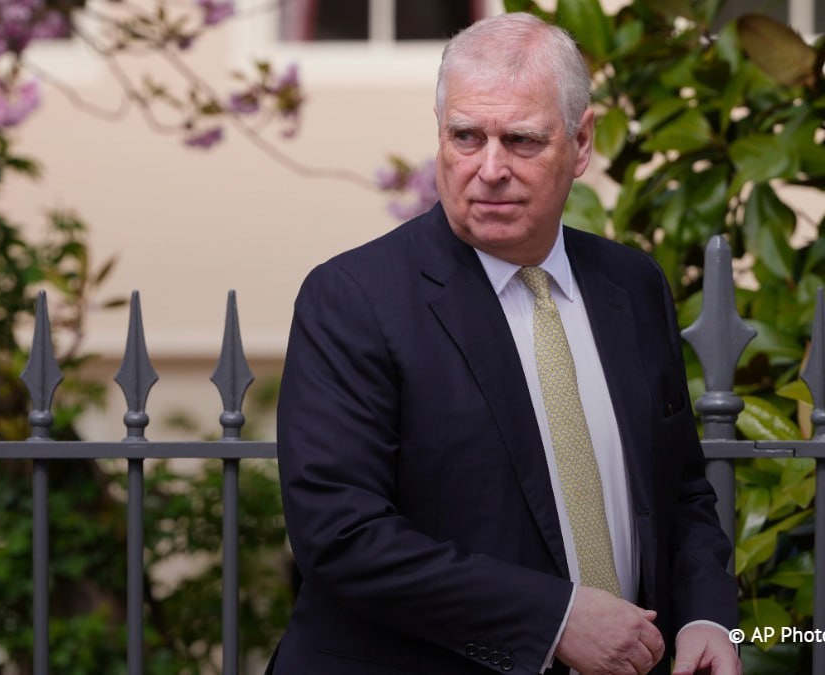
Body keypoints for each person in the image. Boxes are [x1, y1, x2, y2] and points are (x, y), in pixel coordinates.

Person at [271, 12, 739, 675]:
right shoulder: (355, 298)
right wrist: (554, 620)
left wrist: (705, 616)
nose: (490, 168)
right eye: (466, 136)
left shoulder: (632, 286)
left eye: (521, 140)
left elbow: (682, 490)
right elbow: (341, 534)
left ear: (581, 142)